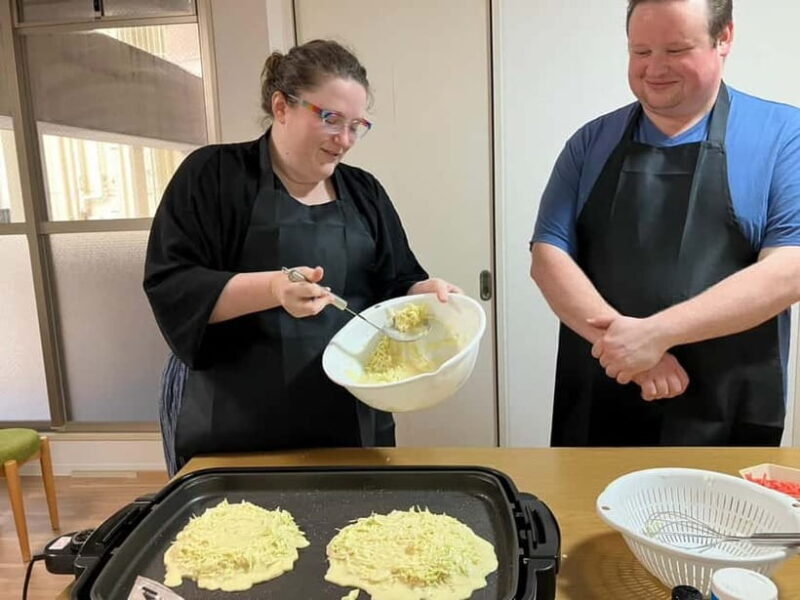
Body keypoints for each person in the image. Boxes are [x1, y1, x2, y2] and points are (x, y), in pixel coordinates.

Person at [144, 40, 461, 475]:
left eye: (357, 125)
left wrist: (427, 291)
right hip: (235, 422)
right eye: (331, 119)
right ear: (281, 107)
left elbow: (397, 280)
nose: (344, 140)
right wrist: (274, 288)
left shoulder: (364, 192)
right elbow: (173, 284)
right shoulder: (213, 175)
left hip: (347, 419)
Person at [530, 0, 800, 447]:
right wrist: (632, 353)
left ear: (724, 38)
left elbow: (789, 270)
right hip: (603, 399)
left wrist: (655, 336)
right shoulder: (591, 141)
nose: (654, 68)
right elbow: (547, 257)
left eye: (676, 50)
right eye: (640, 52)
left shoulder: (783, 135)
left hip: (727, 414)